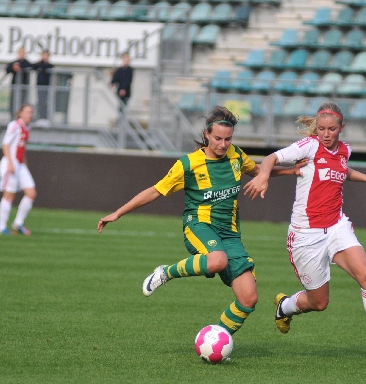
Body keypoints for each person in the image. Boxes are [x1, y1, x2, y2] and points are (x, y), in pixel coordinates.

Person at [97, 106, 304, 338]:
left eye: (228, 139)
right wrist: (118, 213)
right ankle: (166, 272)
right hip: (199, 225)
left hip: (230, 233)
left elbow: (256, 170)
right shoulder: (188, 164)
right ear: (206, 135)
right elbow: (155, 191)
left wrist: (291, 170)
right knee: (217, 261)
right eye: (217, 138)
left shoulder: (235, 155)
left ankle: (216, 338)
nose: (223, 144)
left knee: (248, 298)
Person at [243, 101, 366, 359]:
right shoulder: (309, 146)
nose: (326, 133)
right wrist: (263, 175)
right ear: (316, 128)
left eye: (332, 129)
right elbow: (271, 158)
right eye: (321, 128)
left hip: (336, 227)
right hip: (305, 234)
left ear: (342, 127)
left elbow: (342, 170)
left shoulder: (345, 150)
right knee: (319, 302)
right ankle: (285, 307)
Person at [0, 104, 36, 236]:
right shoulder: (15, 125)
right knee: (9, 195)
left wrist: (24, 164)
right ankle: (1, 228)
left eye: (31, 112)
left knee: (31, 193)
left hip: (20, 165)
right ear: (20, 113)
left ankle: (17, 224)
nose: (29, 115)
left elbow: (21, 147)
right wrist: (10, 162)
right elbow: (5, 144)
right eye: (27, 112)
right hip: (10, 164)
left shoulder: (27, 127)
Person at [6, 47, 34, 117]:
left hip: (23, 87)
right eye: (20, 53)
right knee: (13, 101)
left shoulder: (26, 63)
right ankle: (13, 115)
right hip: (15, 86)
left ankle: (21, 116)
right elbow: (7, 69)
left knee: (23, 102)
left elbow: (32, 67)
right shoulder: (15, 62)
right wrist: (14, 67)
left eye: (23, 53)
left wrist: (20, 67)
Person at [33, 50, 54, 122]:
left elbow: (47, 68)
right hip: (40, 86)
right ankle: (39, 116)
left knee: (46, 102)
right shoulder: (39, 64)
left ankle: (45, 117)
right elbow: (33, 67)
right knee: (40, 101)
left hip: (48, 87)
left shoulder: (49, 65)